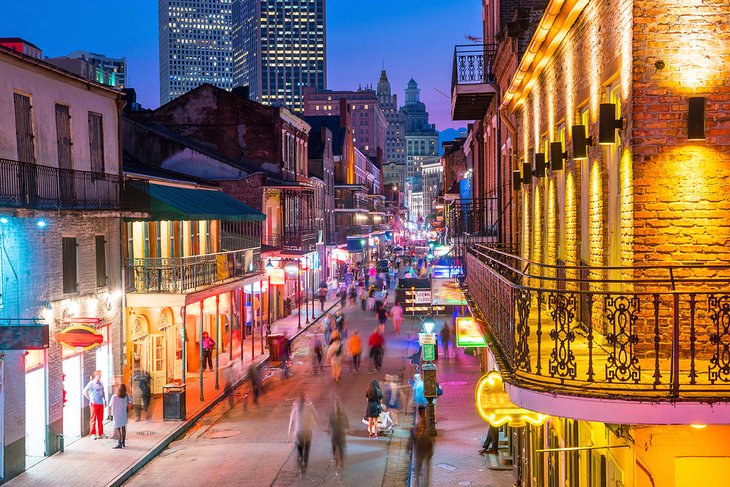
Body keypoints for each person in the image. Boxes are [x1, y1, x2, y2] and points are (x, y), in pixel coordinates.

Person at [288, 393, 318, 479]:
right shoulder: (309, 406)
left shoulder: (295, 408)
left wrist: (289, 436)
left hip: (299, 433)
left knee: (299, 452)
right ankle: (304, 468)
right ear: (305, 400)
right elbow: (314, 416)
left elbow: (291, 423)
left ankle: (301, 467)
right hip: (308, 433)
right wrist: (315, 426)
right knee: (306, 452)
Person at [82, 370, 107, 439]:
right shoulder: (91, 383)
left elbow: (103, 392)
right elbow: (84, 391)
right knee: (93, 419)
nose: (100, 376)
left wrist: (105, 400)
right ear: (95, 375)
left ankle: (101, 433)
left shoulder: (101, 383)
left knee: (100, 419)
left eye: (101, 375)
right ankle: (92, 434)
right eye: (99, 375)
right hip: (94, 404)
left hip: (101, 403)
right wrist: (90, 399)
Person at [329, 398, 350, 481]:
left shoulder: (332, 417)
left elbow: (330, 427)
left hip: (334, 437)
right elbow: (348, 426)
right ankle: (341, 467)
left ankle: (337, 467)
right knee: (341, 454)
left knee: (335, 452)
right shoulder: (343, 417)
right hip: (341, 437)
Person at [413, 415, 434, 487]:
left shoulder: (425, 438)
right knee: (419, 469)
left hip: (425, 454)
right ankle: (418, 483)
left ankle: (425, 483)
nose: (416, 434)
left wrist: (429, 455)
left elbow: (430, 447)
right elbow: (411, 443)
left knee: (425, 469)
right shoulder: (415, 436)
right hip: (420, 455)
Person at [109, 384, 132, 449]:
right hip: (123, 414)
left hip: (116, 415)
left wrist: (110, 413)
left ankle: (119, 443)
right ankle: (123, 442)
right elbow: (131, 401)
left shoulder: (114, 397)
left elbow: (110, 405)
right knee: (123, 428)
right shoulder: (126, 395)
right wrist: (128, 404)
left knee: (118, 429)